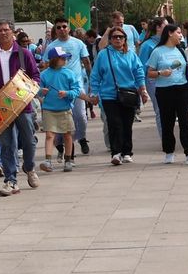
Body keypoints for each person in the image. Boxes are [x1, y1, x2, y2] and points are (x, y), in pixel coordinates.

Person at [0, 20, 40, 195]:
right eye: (0, 30)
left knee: (29, 140)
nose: (3, 33)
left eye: (6, 30)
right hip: (1, 106)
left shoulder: (23, 53)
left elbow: (35, 75)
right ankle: (11, 180)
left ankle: (29, 168)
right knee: (7, 144)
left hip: (22, 104)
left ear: (12, 32)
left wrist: (34, 85)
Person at [147, 22, 188, 166]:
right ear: (170, 33)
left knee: (185, 122)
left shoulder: (180, 50)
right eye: (178, 32)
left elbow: (184, 69)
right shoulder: (157, 51)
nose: (181, 36)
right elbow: (149, 73)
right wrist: (161, 73)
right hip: (164, 91)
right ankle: (169, 151)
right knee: (167, 122)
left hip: (182, 88)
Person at [91, 27, 147, 165]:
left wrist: (143, 90)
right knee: (114, 123)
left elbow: (139, 72)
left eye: (120, 37)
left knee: (127, 124)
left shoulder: (131, 54)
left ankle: (127, 152)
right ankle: (116, 153)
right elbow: (96, 75)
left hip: (128, 94)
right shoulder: (103, 54)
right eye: (115, 37)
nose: (118, 39)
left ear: (125, 39)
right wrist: (94, 92)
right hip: (109, 95)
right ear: (110, 40)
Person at [39, 20, 91, 159]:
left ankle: (81, 138)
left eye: (64, 26)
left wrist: (91, 81)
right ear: (55, 30)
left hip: (75, 85)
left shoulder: (78, 43)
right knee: (62, 122)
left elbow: (86, 62)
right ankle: (65, 149)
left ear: (69, 28)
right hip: (58, 89)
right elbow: (46, 65)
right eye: (59, 27)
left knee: (80, 116)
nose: (62, 29)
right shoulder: (51, 46)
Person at [37, 47, 85, 172]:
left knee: (67, 135)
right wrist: (42, 91)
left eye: (65, 58)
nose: (65, 60)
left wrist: (67, 93)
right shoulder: (44, 74)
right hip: (49, 109)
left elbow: (76, 90)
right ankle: (47, 161)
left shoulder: (69, 73)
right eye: (63, 58)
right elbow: (37, 91)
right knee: (49, 135)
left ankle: (68, 160)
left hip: (65, 109)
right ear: (54, 59)